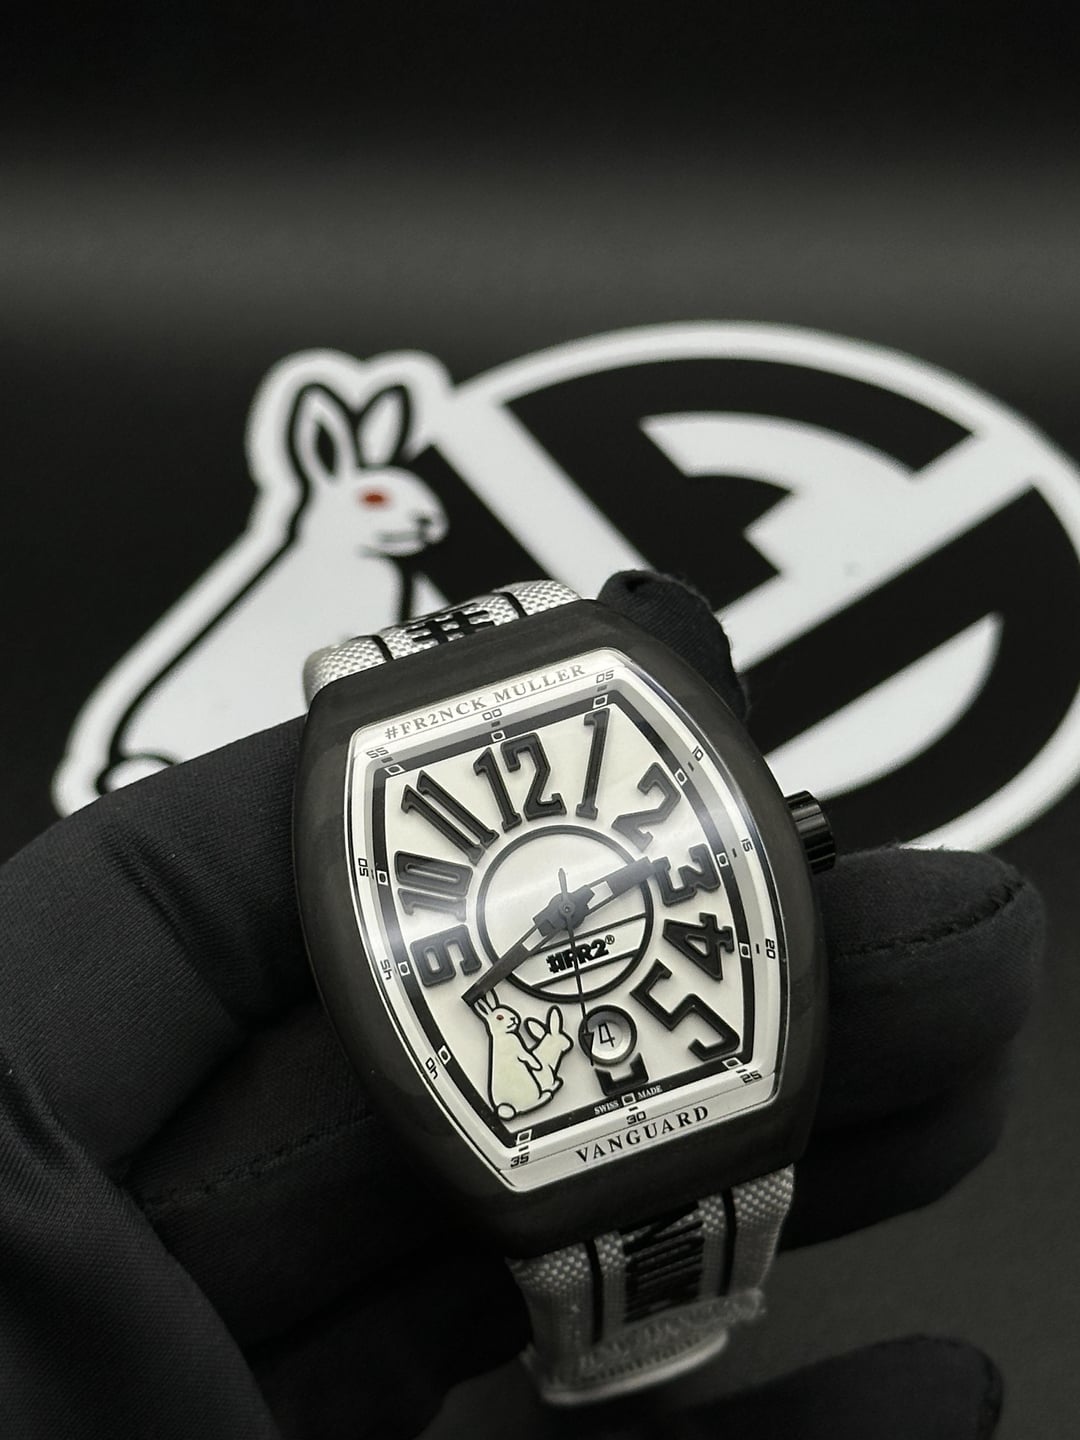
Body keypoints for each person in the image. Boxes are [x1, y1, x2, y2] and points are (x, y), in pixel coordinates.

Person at [0, 575, 1043, 1439]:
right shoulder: (382, 758)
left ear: (785, 835)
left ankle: (644, 1331)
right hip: (562, 1137)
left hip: (712, 1108)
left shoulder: (601, 684)